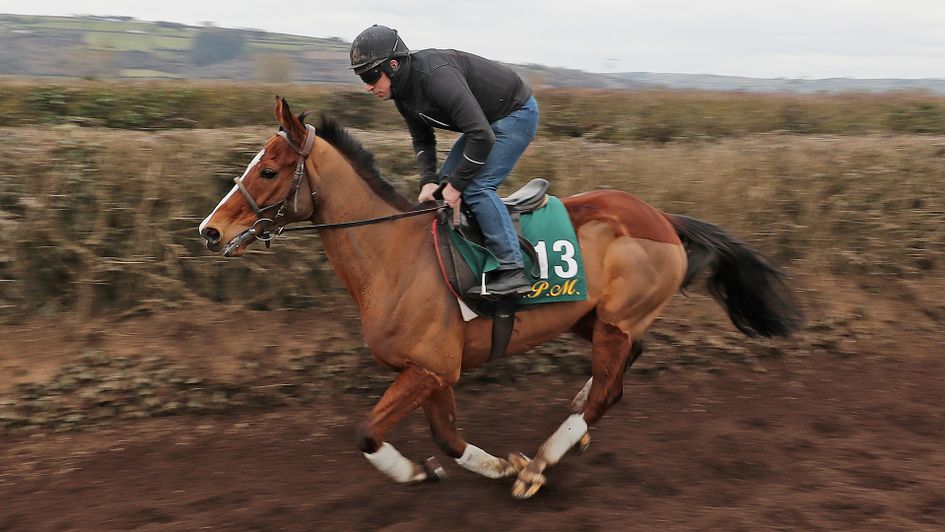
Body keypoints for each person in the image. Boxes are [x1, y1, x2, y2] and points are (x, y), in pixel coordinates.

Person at [350, 24, 539, 298]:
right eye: (361, 77)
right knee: (439, 192)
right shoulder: (401, 92)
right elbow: (423, 139)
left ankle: (512, 270)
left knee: (474, 187)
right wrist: (428, 181)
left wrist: (458, 186)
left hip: (515, 114)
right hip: (484, 125)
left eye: (370, 75)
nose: (367, 86)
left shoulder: (435, 77)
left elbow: (481, 136)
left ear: (393, 65)